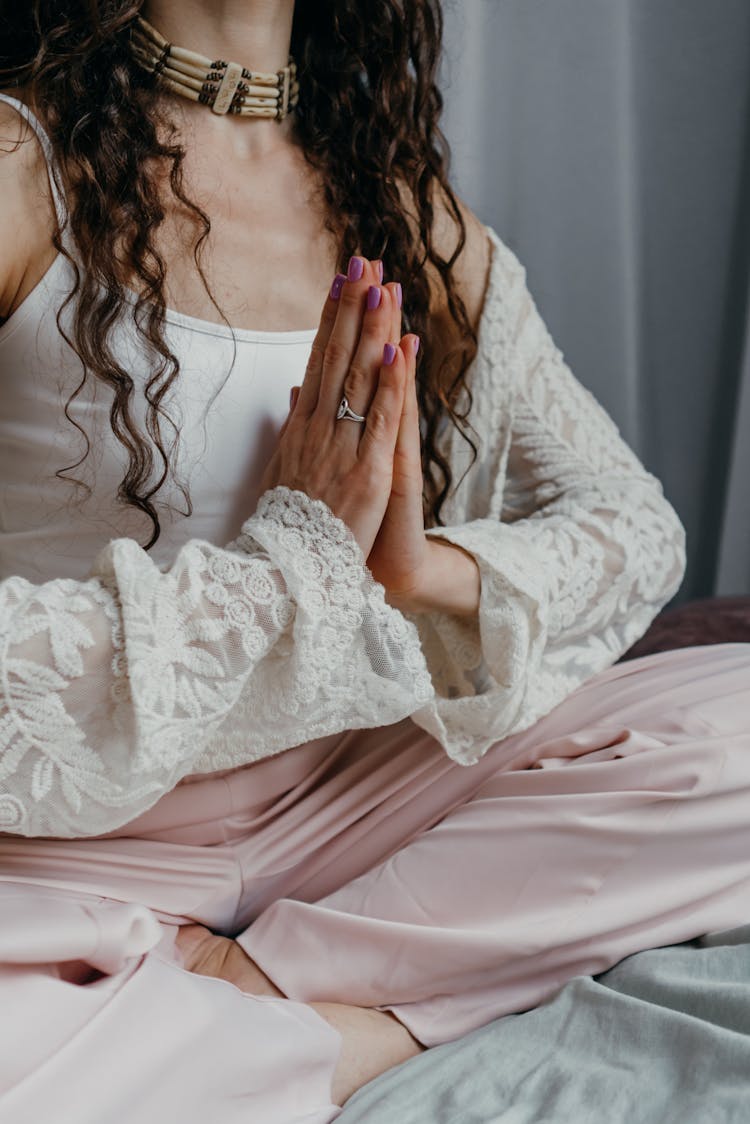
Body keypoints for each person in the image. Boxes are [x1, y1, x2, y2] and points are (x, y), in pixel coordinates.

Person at [0, 2, 748, 1121]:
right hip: (76, 841)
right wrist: (286, 562)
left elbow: (633, 523)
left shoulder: (397, 201)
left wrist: (424, 568)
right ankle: (354, 1035)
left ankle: (265, 988)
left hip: (345, 800)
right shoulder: (21, 166)